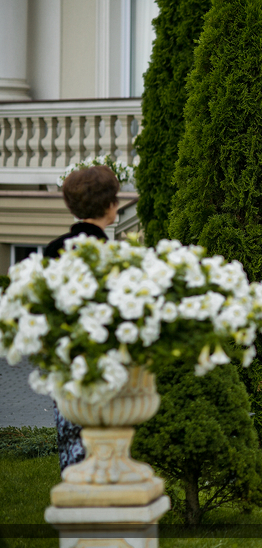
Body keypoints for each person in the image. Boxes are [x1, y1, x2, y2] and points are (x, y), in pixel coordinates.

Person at [45, 165, 120, 471]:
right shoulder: (111, 254)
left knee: (72, 443)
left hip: (64, 357)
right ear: (110, 205)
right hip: (103, 360)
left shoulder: (53, 250)